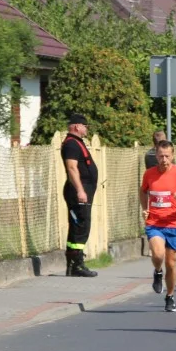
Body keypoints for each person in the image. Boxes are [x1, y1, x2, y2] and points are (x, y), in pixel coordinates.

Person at [140, 141, 176, 312]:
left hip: (174, 224)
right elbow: (143, 191)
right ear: (156, 156)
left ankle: (170, 296)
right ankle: (158, 271)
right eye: (160, 156)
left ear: (172, 156)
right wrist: (145, 209)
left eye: (167, 156)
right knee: (158, 255)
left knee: (171, 264)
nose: (164, 159)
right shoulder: (149, 174)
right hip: (155, 223)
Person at [61, 113, 98, 277]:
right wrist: (80, 190)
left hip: (82, 190)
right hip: (78, 192)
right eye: (85, 126)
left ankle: (73, 264)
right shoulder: (71, 145)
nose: (86, 129)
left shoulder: (76, 143)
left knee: (79, 225)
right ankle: (77, 265)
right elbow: (72, 168)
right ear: (77, 126)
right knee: (81, 225)